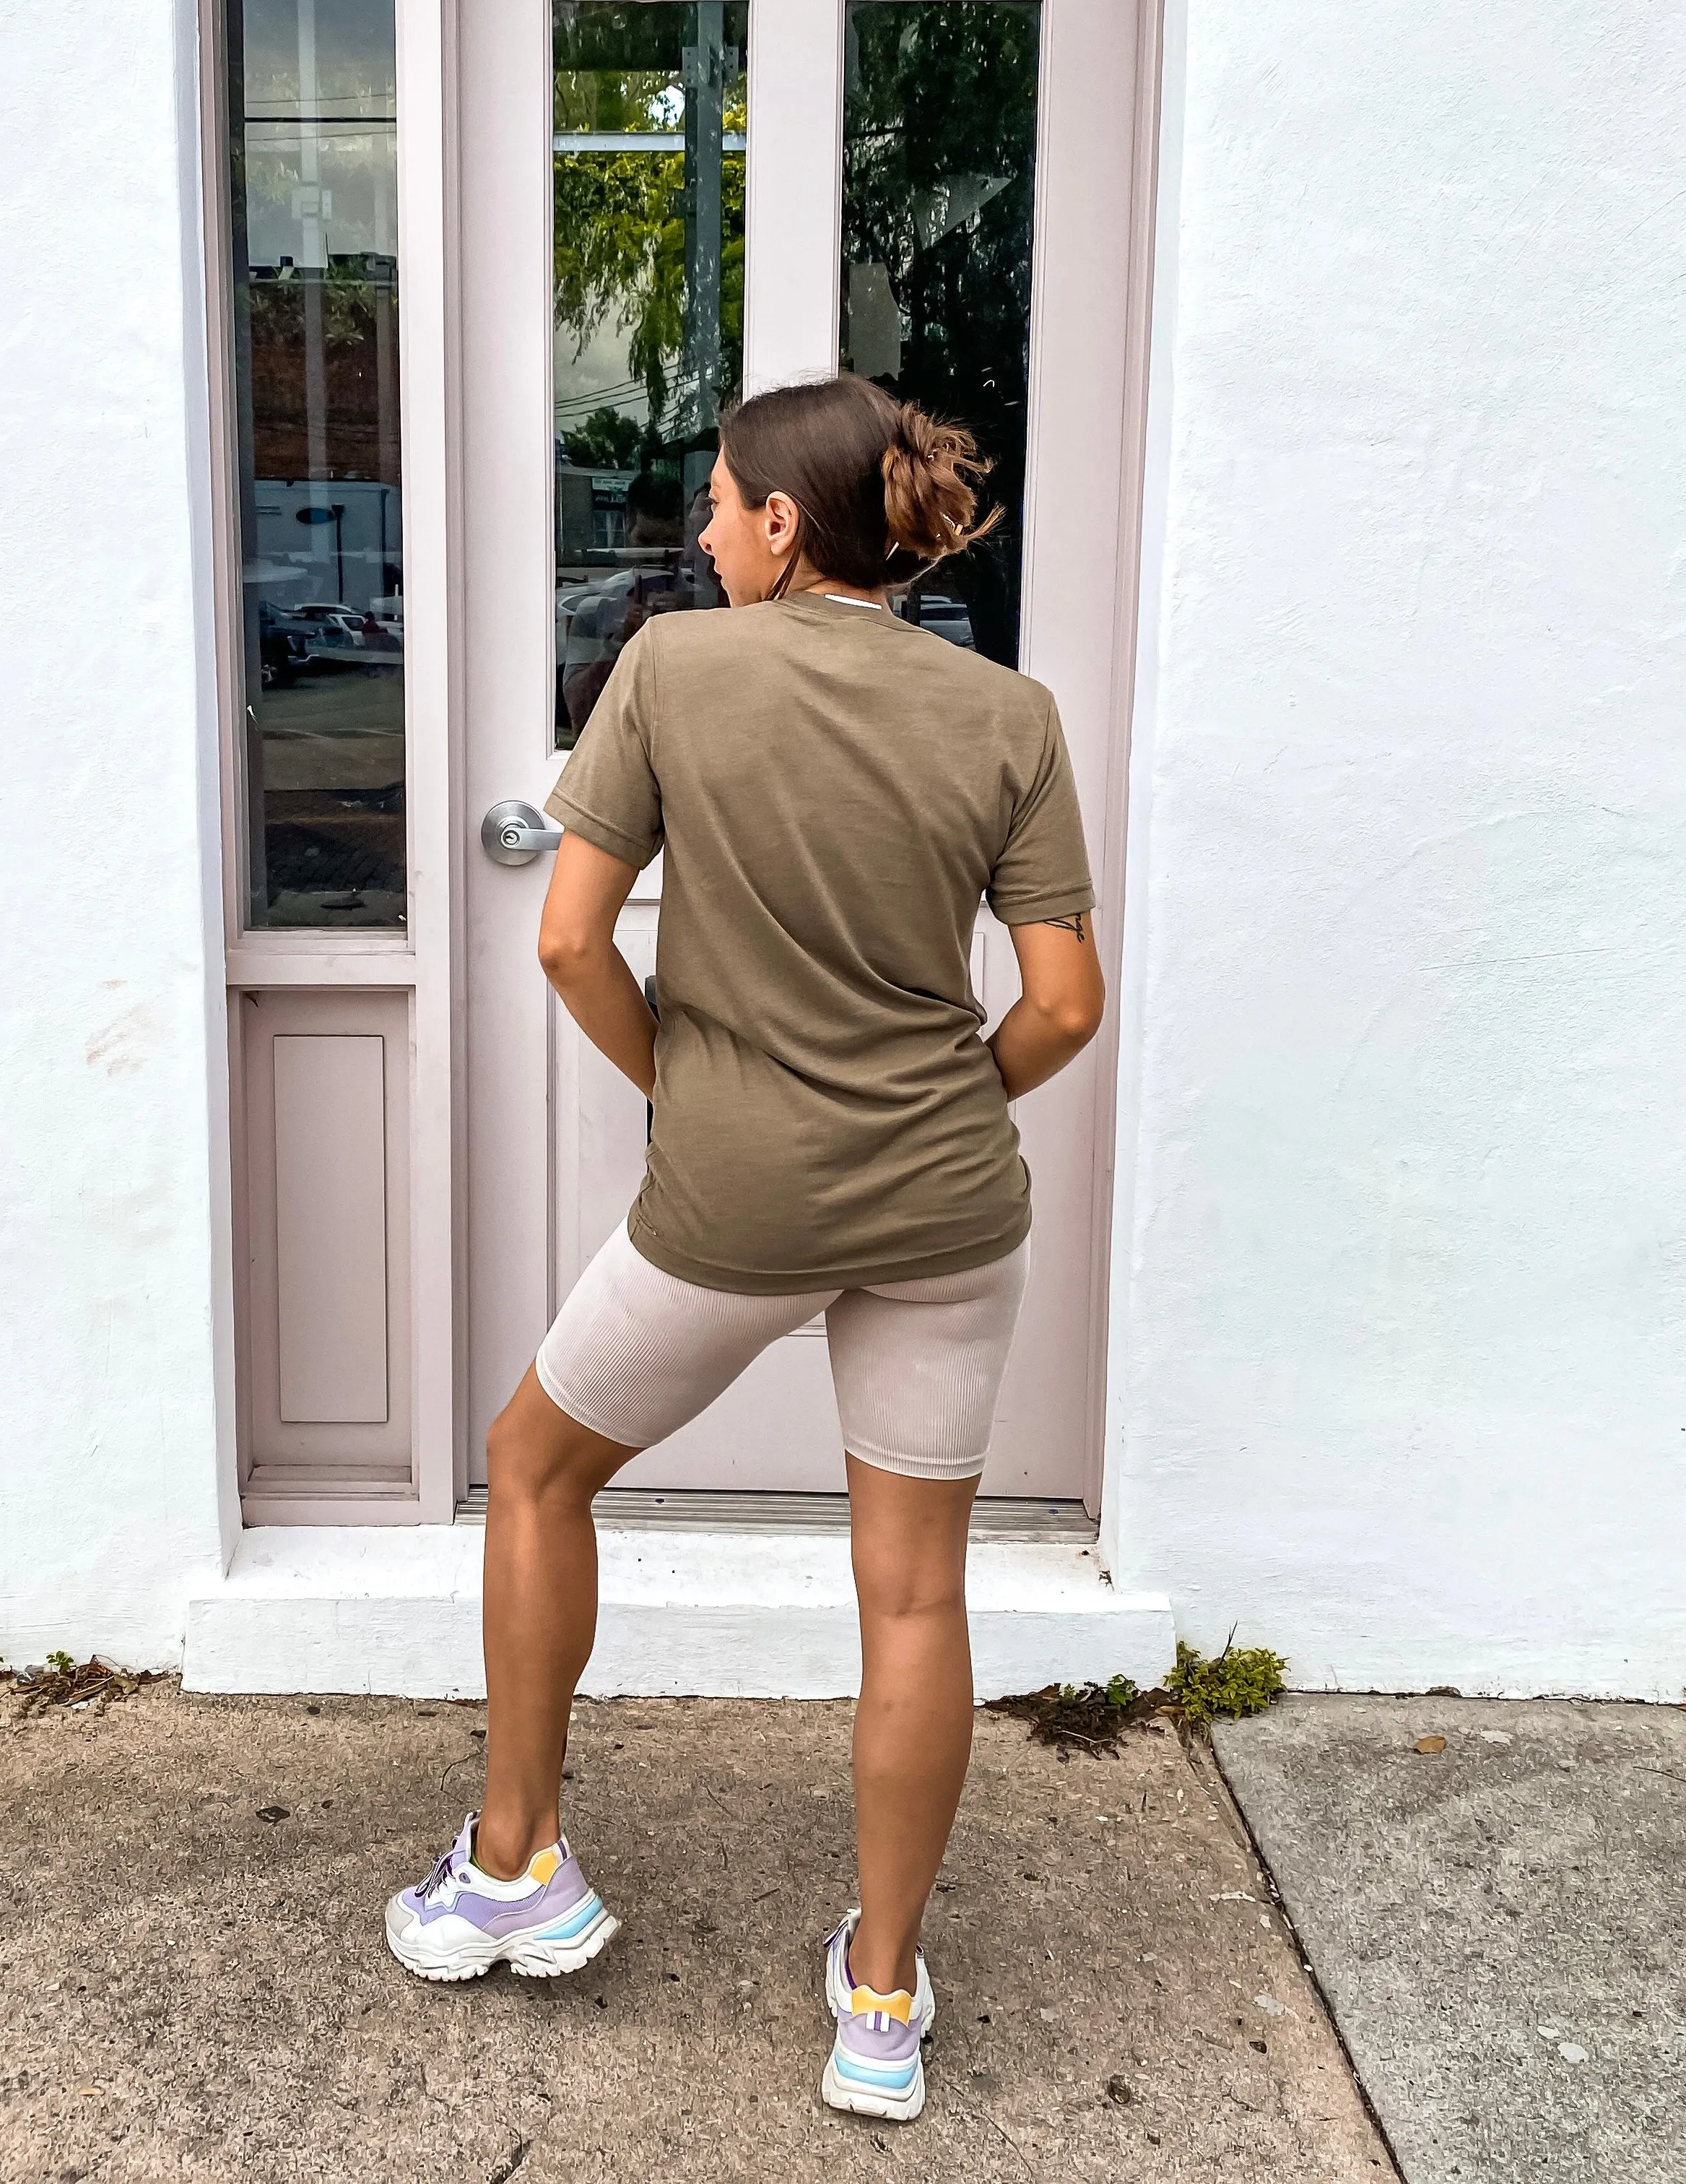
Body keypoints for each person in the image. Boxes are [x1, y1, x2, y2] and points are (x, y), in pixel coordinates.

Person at [385, 374, 1105, 2123]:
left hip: (733, 1198)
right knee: (918, 1593)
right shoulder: (1009, 713)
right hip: (946, 1204)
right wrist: (942, 1110)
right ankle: (877, 2002)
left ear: (787, 526)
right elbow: (1065, 1008)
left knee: (534, 1468)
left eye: (718, 501)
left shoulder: (670, 669)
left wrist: (691, 1093)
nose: (701, 528)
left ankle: (515, 1866)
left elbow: (569, 945)